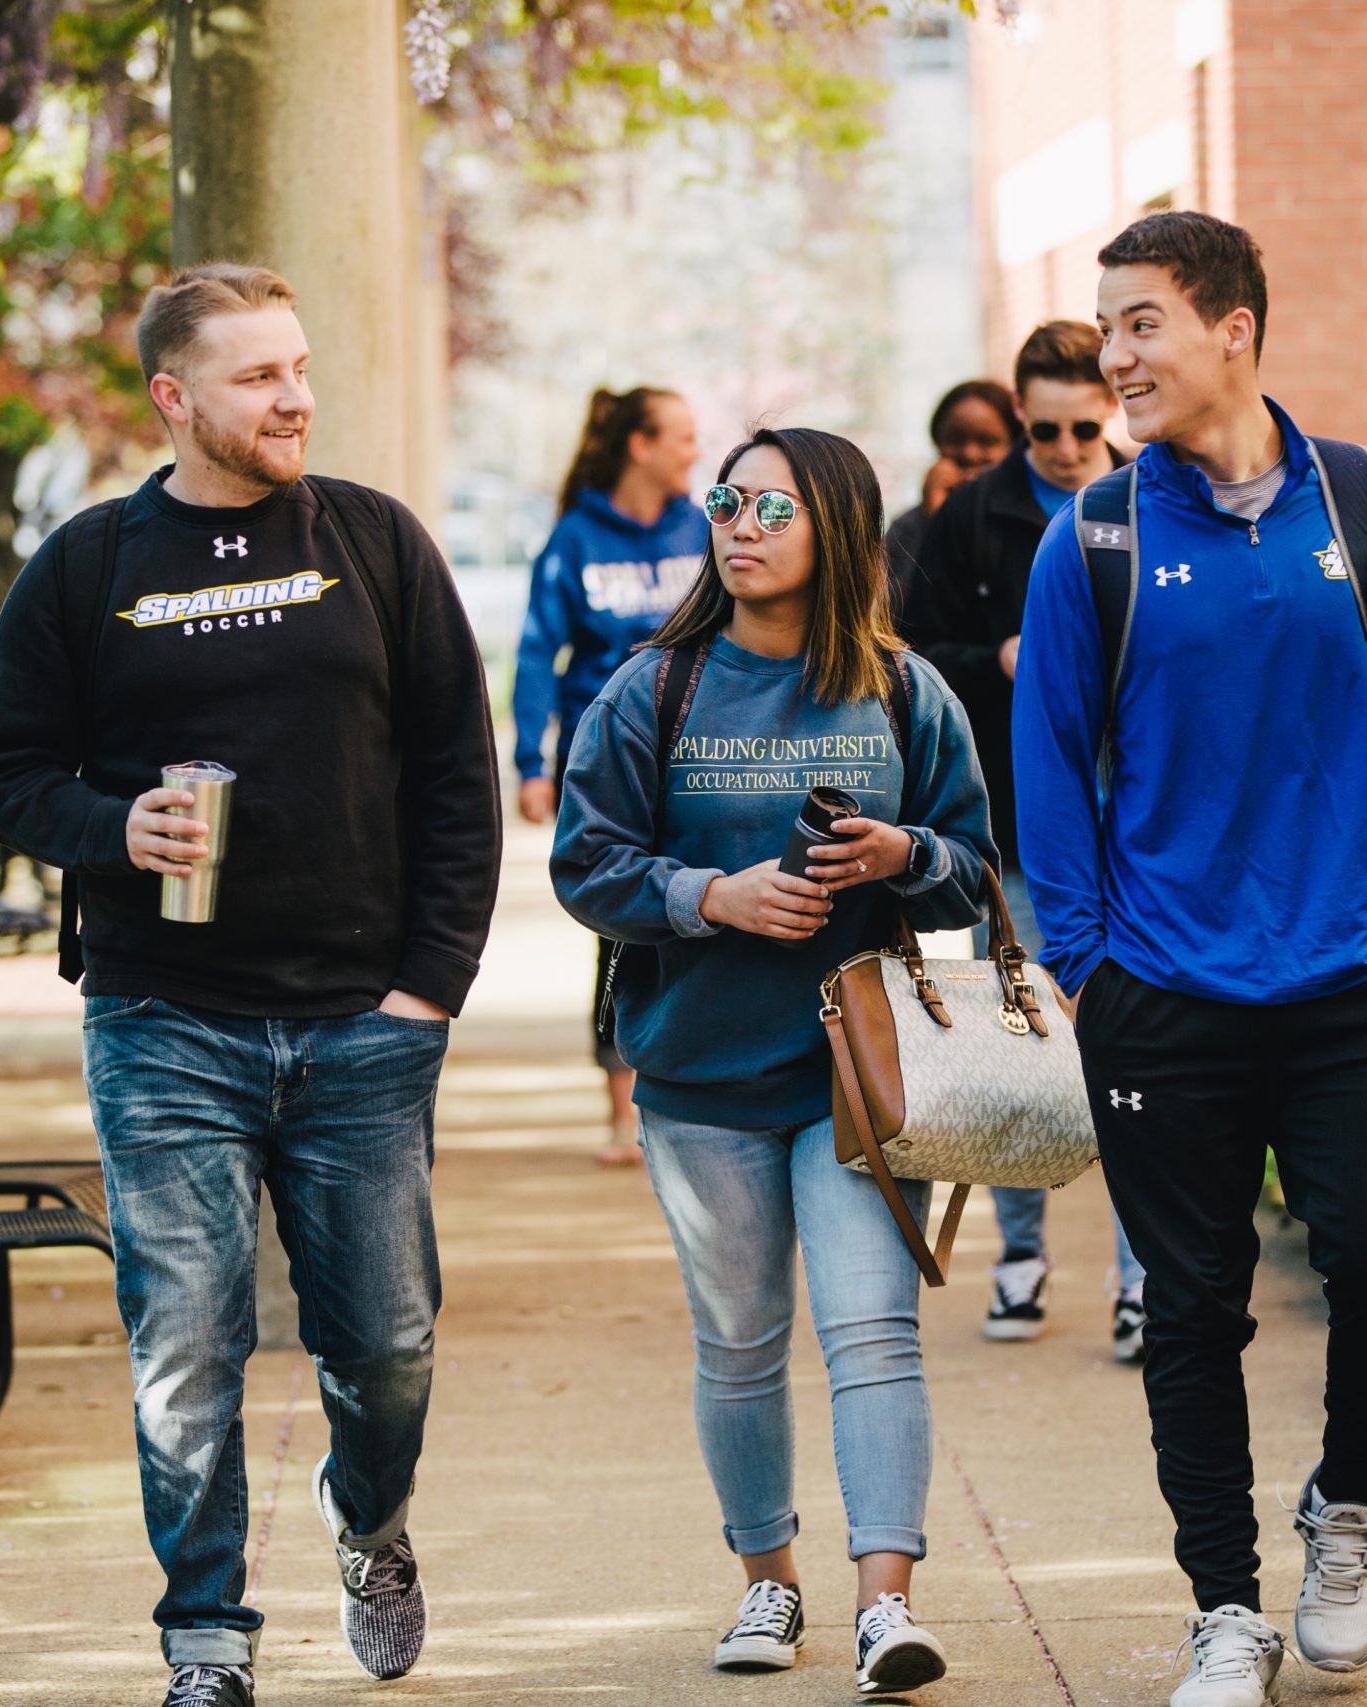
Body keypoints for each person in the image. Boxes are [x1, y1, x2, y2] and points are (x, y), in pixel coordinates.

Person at [0, 263, 500, 1707]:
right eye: (259, 374)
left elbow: (458, 771)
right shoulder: (88, 567)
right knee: (185, 1347)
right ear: (174, 396)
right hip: (163, 1018)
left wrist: (428, 987)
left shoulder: (375, 543)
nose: (295, 395)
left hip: (361, 1024)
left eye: (301, 366)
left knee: (384, 1342)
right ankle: (206, 1637)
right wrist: (112, 826)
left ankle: (367, 1518)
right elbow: (1, 774)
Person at [1011, 211, 1367, 1707]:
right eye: (1105, 326)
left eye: (1140, 323)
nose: (1113, 354)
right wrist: (1086, 963)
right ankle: (1225, 1604)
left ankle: (1346, 1501)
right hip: (1165, 991)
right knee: (1193, 1308)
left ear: (1233, 330)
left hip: (1359, 976)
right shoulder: (1095, 536)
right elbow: (1051, 758)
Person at [550, 426, 996, 1698]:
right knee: (740, 1339)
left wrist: (901, 856)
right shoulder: (653, 690)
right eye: (727, 503)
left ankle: (883, 1606)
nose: (740, 526)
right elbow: (587, 866)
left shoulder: (904, 691)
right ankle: (769, 1581)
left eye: (772, 508)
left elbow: (976, 862)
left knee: (874, 1331)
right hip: (698, 1076)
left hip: (857, 1079)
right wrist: (710, 897)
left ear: (836, 530)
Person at [900, 322, 1141, 1352]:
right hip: (1009, 832)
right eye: (1041, 427)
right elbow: (910, 660)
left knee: (1138, 1056)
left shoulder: (1151, 498)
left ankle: (1143, 1280)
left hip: (1140, 833)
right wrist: (995, 654)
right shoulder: (971, 519)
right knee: (1020, 1055)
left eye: (1084, 426)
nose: (1064, 446)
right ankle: (1021, 1260)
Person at [511, 386, 709, 1165]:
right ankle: (621, 1111)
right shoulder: (574, 539)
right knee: (620, 924)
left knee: (703, 907)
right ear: (642, 445)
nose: (696, 451)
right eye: (683, 437)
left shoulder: (702, 528)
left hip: (696, 754)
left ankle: (696, 1086)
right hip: (606, 760)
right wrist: (532, 762)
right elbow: (535, 651)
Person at [881, 378, 1020, 606]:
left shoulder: (1023, 518)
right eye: (955, 439)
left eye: (987, 442)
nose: (969, 454)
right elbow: (896, 614)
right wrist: (935, 523)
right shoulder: (907, 527)